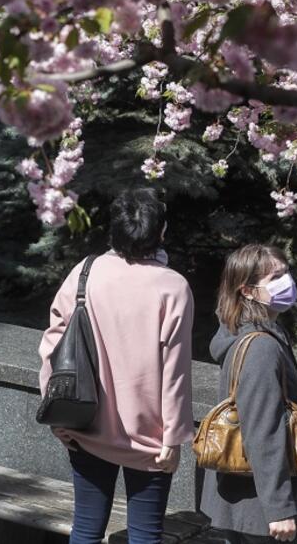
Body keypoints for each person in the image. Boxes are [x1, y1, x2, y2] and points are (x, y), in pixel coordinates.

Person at [38, 188, 195, 544]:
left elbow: (52, 345)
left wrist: (58, 416)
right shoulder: (174, 288)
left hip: (85, 424)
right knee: (145, 535)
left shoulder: (86, 272)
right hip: (150, 438)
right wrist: (173, 437)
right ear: (161, 232)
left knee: (86, 530)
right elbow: (175, 370)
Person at [200, 244, 297, 543]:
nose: (287, 282)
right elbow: (262, 430)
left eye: (286, 273)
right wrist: (279, 509)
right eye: (275, 277)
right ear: (247, 291)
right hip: (259, 509)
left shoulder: (246, 333)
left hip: (247, 501)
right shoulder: (261, 347)